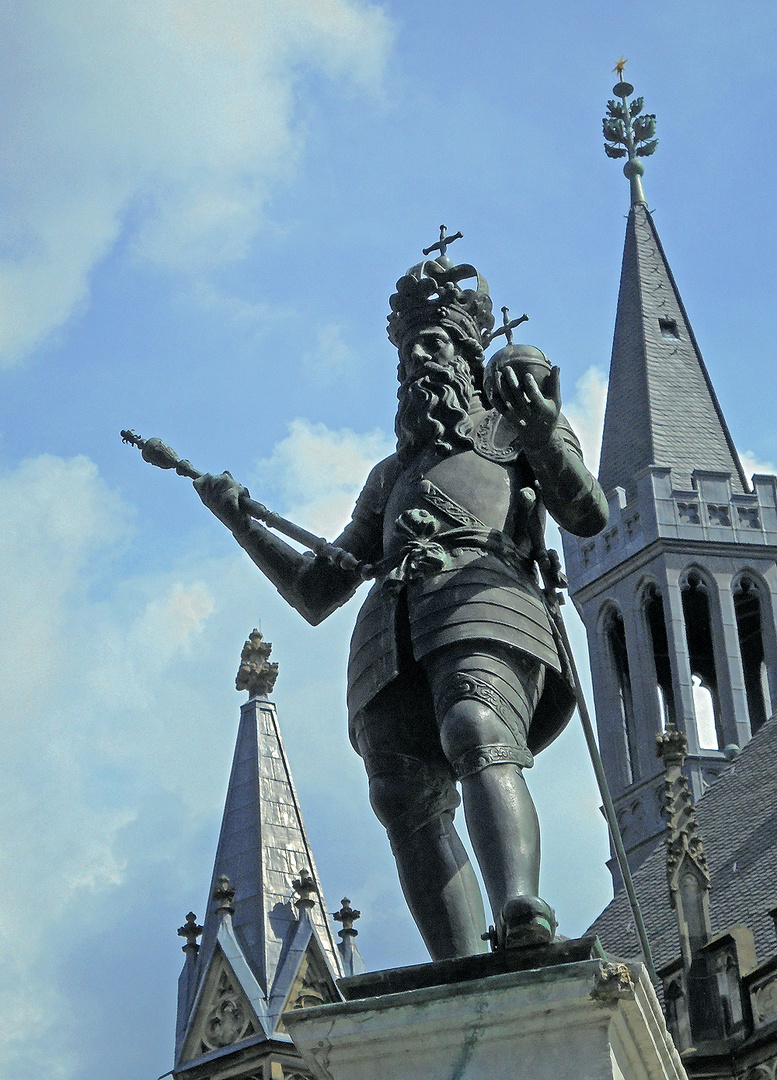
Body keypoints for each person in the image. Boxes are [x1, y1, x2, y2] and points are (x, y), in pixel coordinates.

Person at [194, 248, 607, 960]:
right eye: (411, 349)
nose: (421, 359)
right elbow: (319, 589)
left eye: (436, 343)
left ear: (468, 353)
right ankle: (457, 965)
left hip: (484, 598)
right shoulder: (389, 475)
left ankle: (519, 906)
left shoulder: (515, 431)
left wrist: (542, 428)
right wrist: (242, 523)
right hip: (391, 629)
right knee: (398, 792)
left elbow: (585, 512)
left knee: (475, 725)